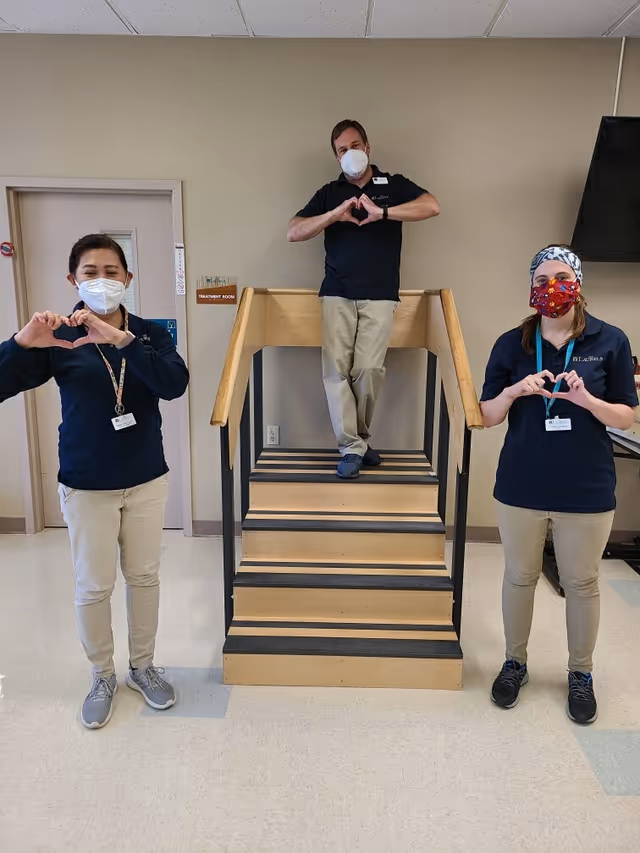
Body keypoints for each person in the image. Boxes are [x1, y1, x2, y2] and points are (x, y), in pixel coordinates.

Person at [0, 234, 189, 729]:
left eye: (111, 271)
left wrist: (121, 340)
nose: (101, 280)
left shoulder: (148, 333)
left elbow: (174, 384)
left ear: (128, 278)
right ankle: (101, 675)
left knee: (144, 577)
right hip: (86, 483)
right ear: (73, 281)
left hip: (146, 478)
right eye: (89, 272)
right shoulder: (58, 337)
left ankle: (142, 668)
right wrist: (21, 344)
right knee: (93, 586)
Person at [480, 245, 637, 724]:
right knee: (519, 577)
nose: (553, 287)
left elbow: (628, 417)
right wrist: (514, 390)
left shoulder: (611, 341)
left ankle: (580, 673)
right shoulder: (512, 344)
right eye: (543, 278)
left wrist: (587, 398)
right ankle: (515, 663)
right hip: (521, 484)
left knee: (581, 582)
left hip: (585, 489)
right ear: (531, 288)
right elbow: (486, 416)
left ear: (579, 283)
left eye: (562, 277)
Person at [288, 119, 440, 478]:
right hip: (337, 292)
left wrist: (382, 213)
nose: (350, 153)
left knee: (369, 370)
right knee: (336, 372)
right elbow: (294, 231)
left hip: (381, 293)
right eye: (342, 149)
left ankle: (358, 441)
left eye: (354, 145)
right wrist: (334, 215)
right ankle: (353, 447)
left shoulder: (394, 184)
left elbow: (431, 206)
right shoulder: (329, 191)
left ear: (367, 147)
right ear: (336, 156)